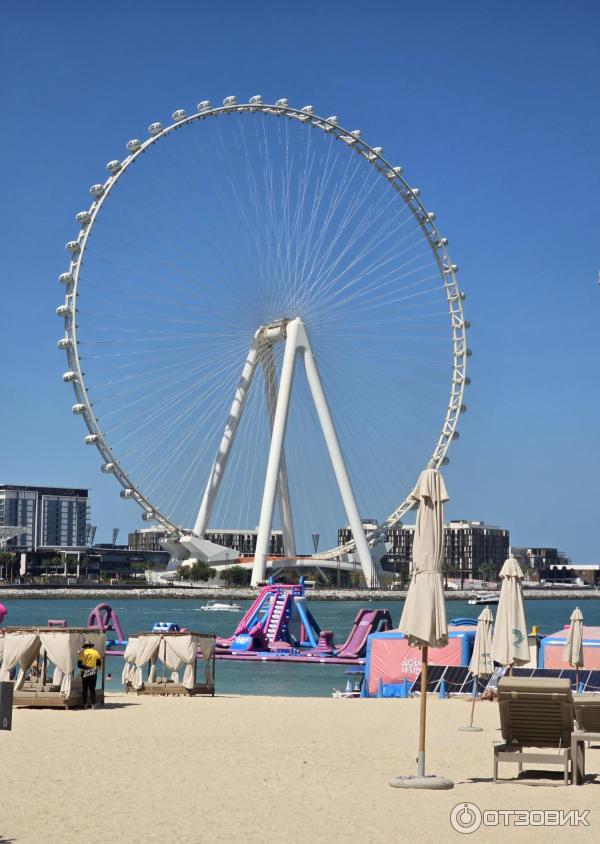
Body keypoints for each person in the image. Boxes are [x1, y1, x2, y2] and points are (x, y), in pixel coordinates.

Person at [78, 640, 102, 709]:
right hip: (93, 671)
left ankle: (85, 704)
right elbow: (99, 663)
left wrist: (87, 667)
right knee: (92, 689)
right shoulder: (95, 652)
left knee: (84, 689)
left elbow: (79, 665)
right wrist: (92, 667)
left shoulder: (82, 653)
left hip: (84, 671)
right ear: (91, 646)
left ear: (85, 646)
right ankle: (93, 704)